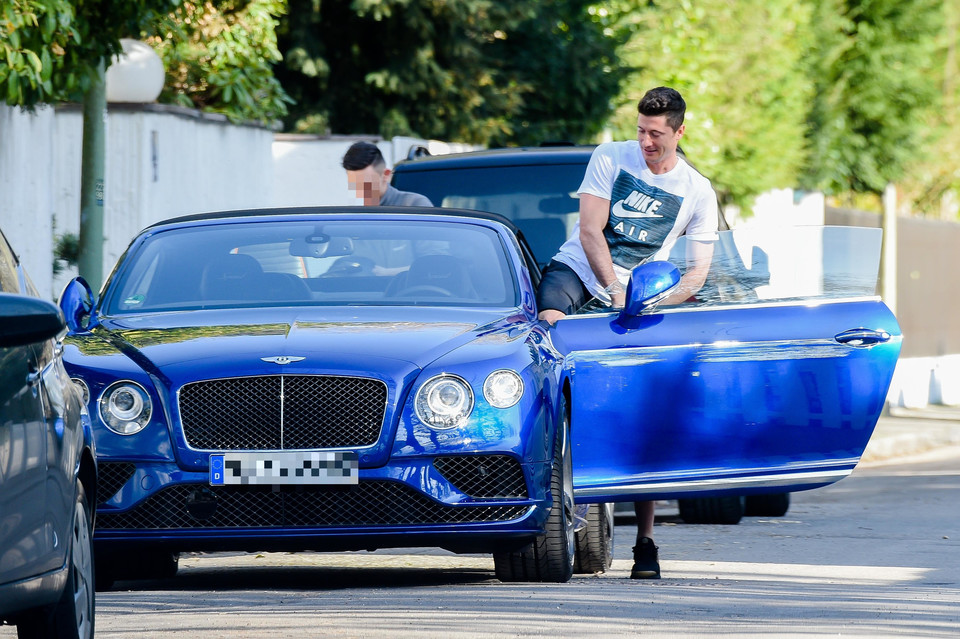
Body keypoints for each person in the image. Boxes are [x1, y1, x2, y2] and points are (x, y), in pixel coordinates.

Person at [535, 86, 719, 579]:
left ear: (680, 132)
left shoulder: (697, 191)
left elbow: (696, 275)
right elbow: (591, 229)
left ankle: (646, 542)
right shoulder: (610, 157)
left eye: (656, 134)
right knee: (547, 330)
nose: (646, 142)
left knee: (640, 413)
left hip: (640, 296)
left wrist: (646, 299)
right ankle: (546, 491)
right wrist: (614, 287)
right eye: (640, 130)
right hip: (581, 273)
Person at [342, 141, 433, 207]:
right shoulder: (359, 216)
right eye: (354, 182)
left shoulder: (415, 205)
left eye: (366, 182)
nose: (359, 189)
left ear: (386, 174)